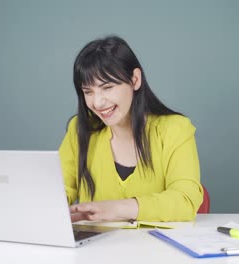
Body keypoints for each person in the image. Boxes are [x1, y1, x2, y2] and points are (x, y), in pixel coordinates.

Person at [59, 35, 203, 223]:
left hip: (158, 249)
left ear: (135, 80)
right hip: (96, 250)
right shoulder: (79, 129)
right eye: (88, 92)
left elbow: (185, 200)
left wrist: (117, 208)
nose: (97, 102)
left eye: (107, 87)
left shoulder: (175, 129)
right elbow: (57, 190)